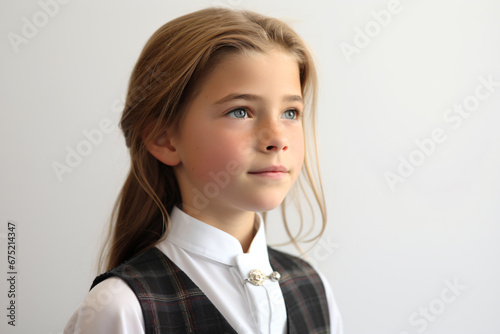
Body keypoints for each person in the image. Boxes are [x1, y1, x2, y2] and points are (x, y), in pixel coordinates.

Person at [64, 6, 343, 334]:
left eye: (291, 112)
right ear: (164, 138)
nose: (278, 139)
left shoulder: (314, 288)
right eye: (240, 111)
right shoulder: (121, 307)